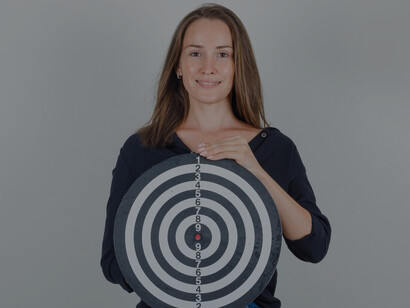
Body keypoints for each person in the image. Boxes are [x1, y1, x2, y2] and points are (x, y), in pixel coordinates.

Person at [101, 4, 331, 308]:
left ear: (238, 66)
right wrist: (165, 261)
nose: (208, 67)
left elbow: (314, 247)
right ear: (178, 65)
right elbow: (112, 261)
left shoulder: (275, 149)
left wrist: (256, 170)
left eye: (223, 54)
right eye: (195, 53)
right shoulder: (142, 148)